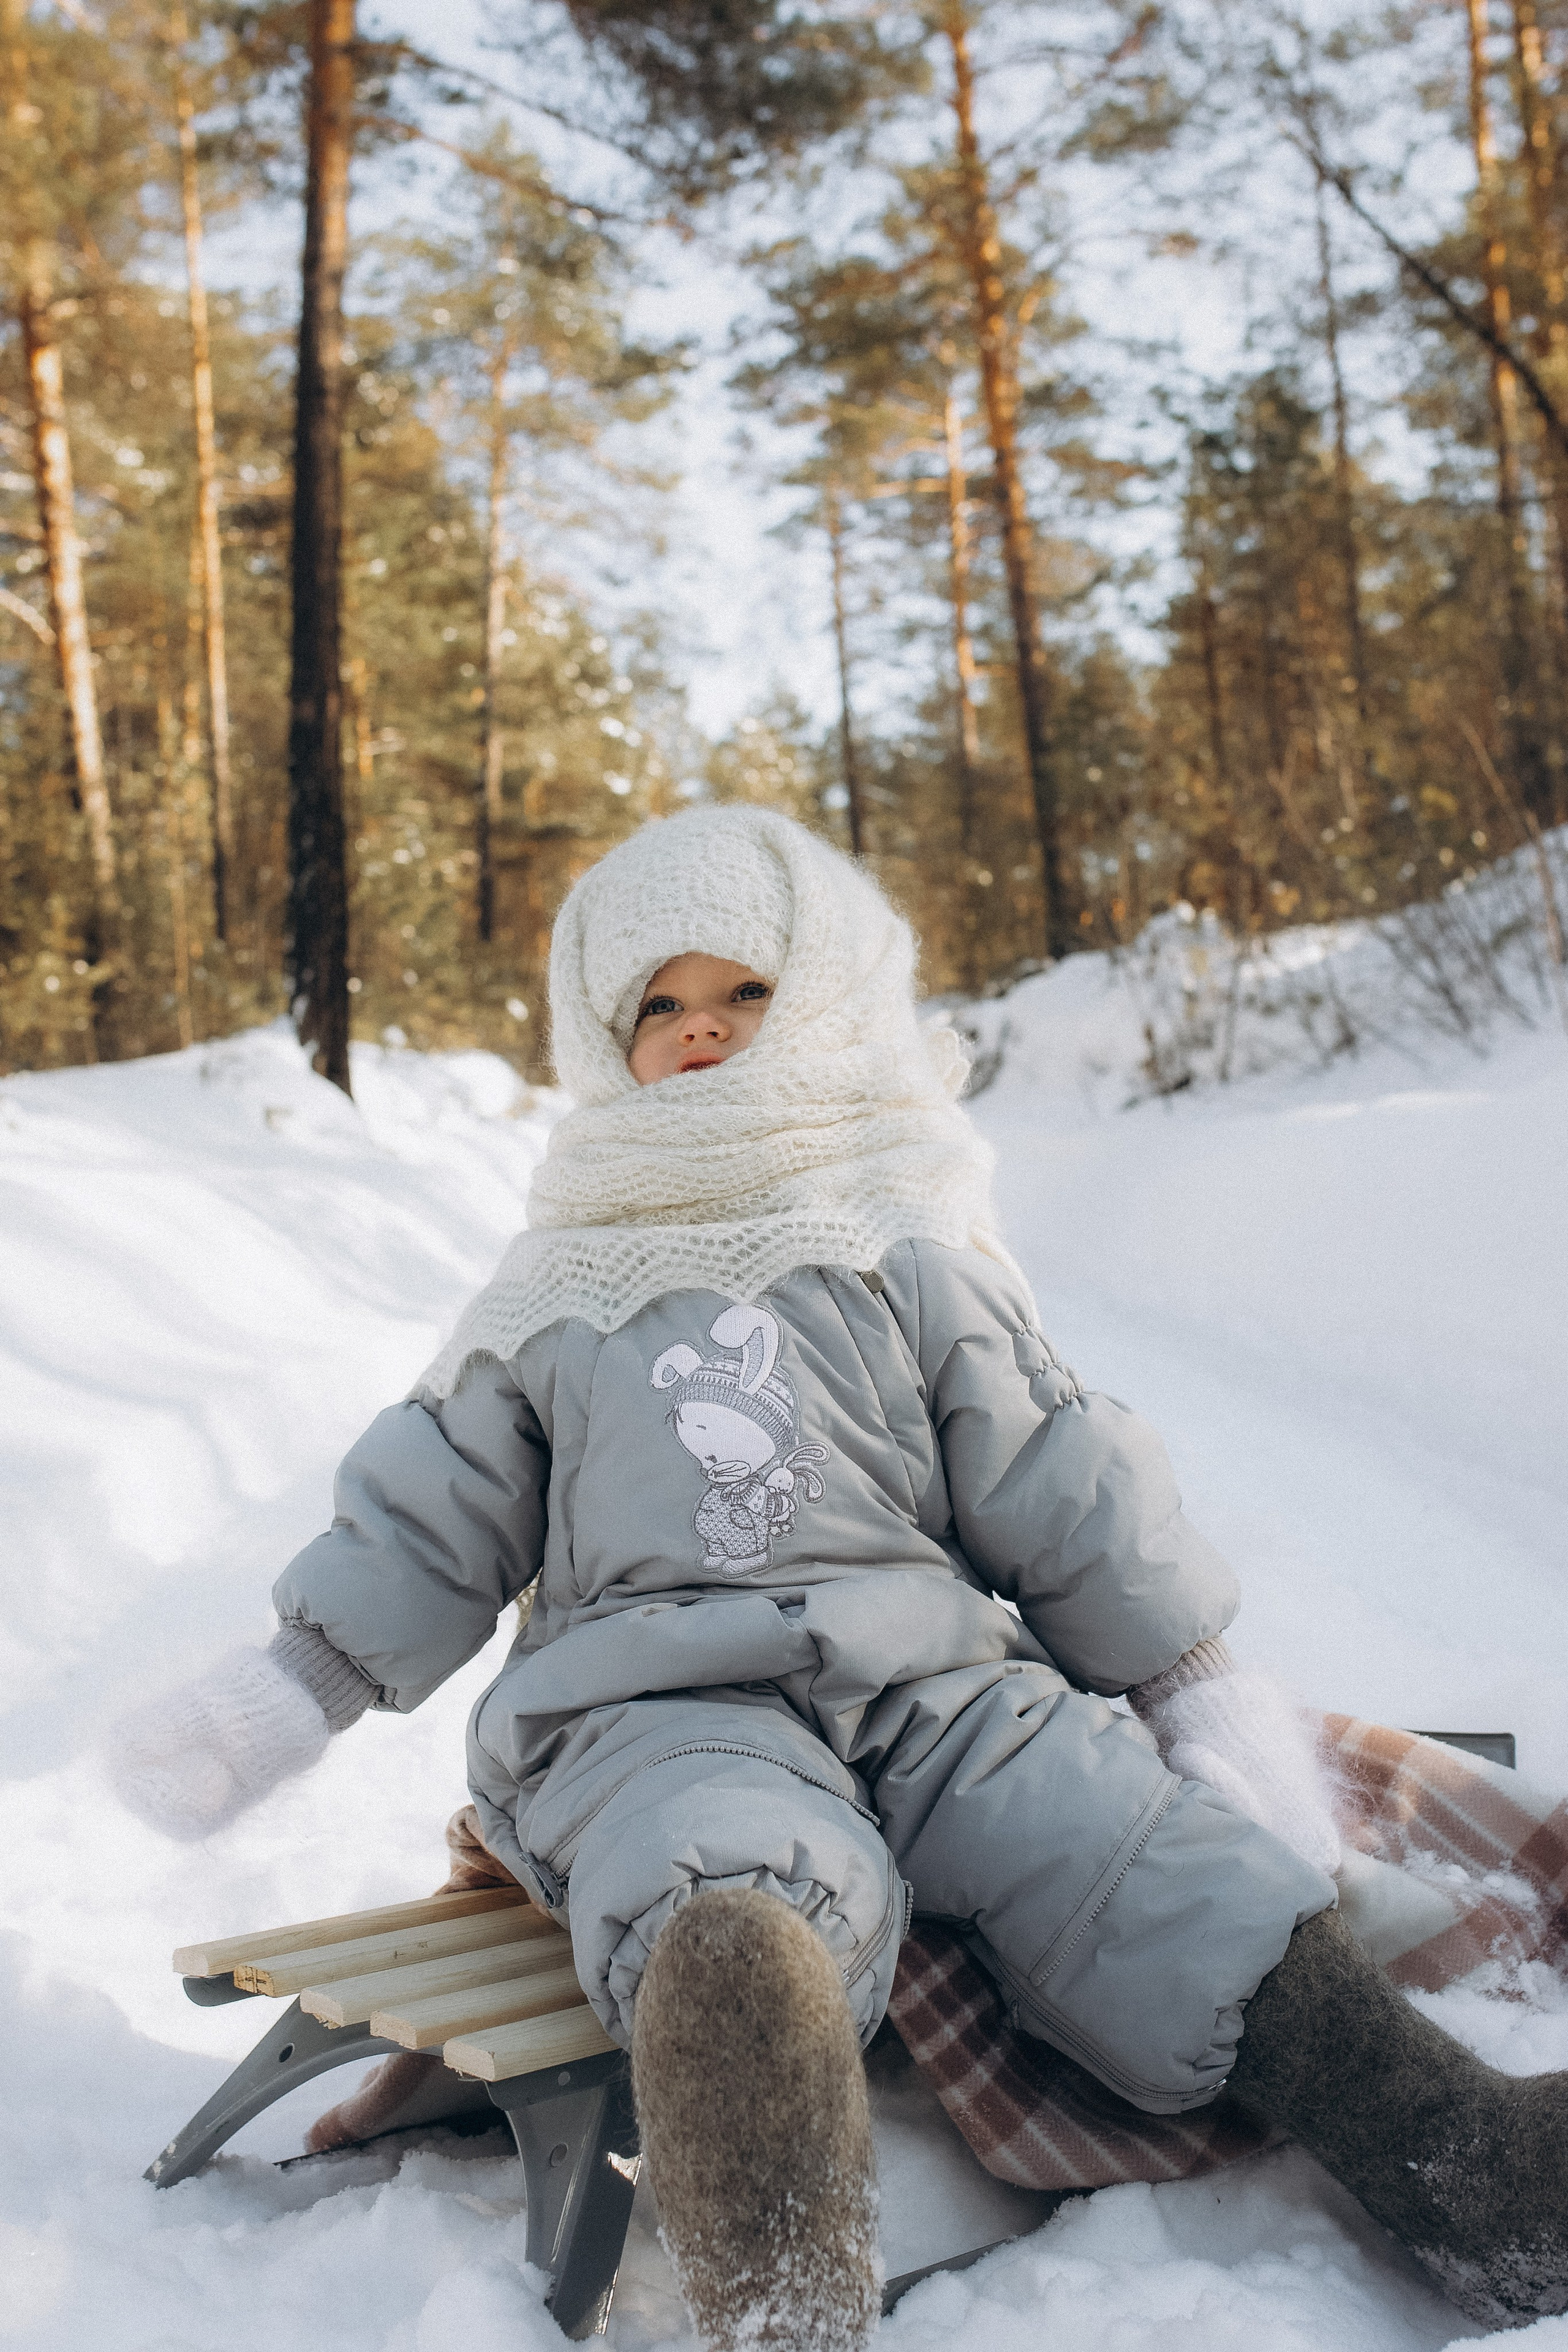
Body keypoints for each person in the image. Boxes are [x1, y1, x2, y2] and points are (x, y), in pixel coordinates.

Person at [117, 807, 1567, 2350]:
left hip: (934, 1685)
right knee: (716, 1870)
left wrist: (1181, 1679)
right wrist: (290, 1688)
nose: (697, 1035)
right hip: (649, 1700)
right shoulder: (553, 1288)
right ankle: (779, 2244)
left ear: (820, 1005)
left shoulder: (905, 1235)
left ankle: (1457, 2161)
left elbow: (1053, 1476)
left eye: (737, 995)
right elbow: (430, 1514)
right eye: (657, 1010)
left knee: (1131, 1841)